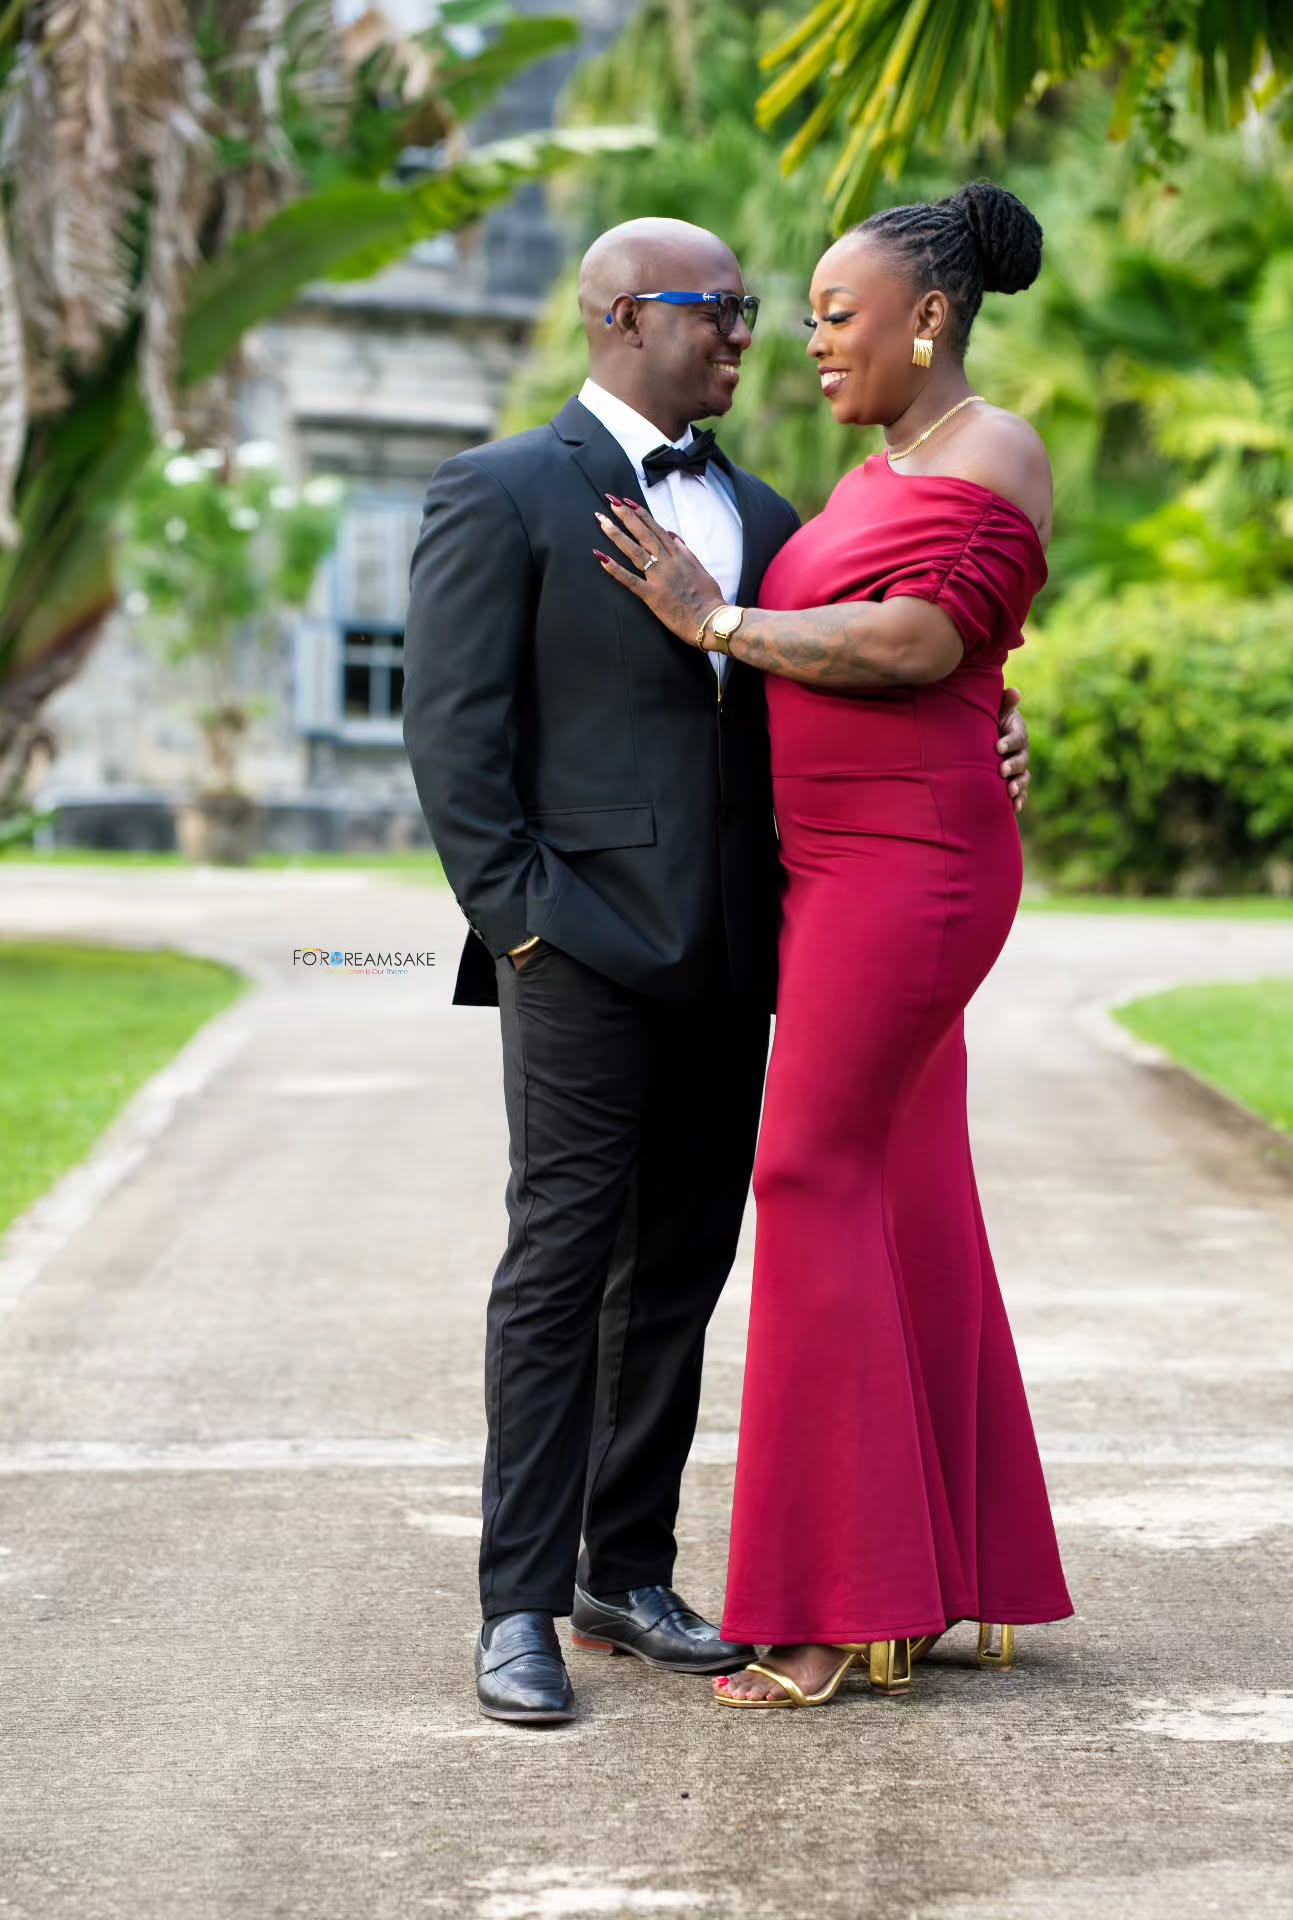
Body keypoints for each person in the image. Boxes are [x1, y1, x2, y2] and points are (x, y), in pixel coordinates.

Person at [403, 218, 1033, 1725]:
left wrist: (988, 726)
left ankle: (627, 1567)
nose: (751, 335)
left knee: (681, 1268)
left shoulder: (767, 509)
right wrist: (527, 924)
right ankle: (517, 1606)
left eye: (769, 311)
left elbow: (858, 670)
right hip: (575, 951)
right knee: (557, 1272)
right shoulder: (500, 492)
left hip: (748, 952)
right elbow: (455, 748)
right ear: (626, 315)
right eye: (724, 309)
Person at [590, 182, 1072, 1711]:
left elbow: (923, 644)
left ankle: (826, 1607)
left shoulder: (991, 446)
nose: (804, 343)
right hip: (848, 869)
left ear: (930, 319)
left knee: (805, 1174)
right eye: (801, 317)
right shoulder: (885, 466)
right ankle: (938, 1578)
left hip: (907, 873)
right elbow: (963, 664)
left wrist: (712, 619)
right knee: (905, 1183)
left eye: (832, 314)